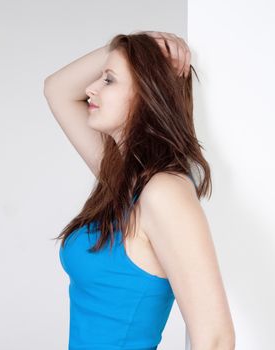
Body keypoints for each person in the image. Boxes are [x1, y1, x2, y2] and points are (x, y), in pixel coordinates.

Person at [44, 31, 235, 349]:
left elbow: (215, 338)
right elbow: (56, 89)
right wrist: (135, 42)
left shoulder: (163, 193)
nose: (90, 87)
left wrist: (134, 49)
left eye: (108, 80)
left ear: (147, 94)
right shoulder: (121, 178)